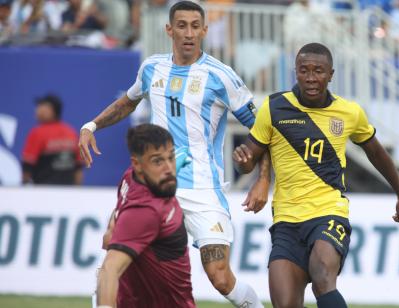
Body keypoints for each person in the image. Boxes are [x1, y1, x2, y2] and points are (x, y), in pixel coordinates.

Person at [79, 2, 269, 307]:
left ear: (205, 30)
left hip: (204, 189)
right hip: (156, 187)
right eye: (182, 25)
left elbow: (263, 129)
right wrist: (92, 125)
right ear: (169, 29)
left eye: (196, 26)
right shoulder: (152, 67)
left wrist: (263, 180)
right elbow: (128, 101)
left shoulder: (221, 76)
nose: (189, 33)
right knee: (113, 249)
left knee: (220, 278)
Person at [232, 43, 399, 308]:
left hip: (328, 212)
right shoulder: (274, 107)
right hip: (286, 221)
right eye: (304, 71)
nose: (311, 78)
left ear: (331, 74)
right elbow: (250, 158)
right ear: (295, 72)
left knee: (322, 275)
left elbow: (377, 154)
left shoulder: (349, 112)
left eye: (318, 71)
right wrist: (244, 163)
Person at [96, 124, 195, 308]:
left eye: (171, 158)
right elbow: (109, 269)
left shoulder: (131, 177)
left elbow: (115, 223)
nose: (169, 169)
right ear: (137, 164)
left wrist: (114, 228)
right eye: (158, 161)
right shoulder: (147, 211)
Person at [21, 94, 83, 185]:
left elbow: (27, 167)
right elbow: (78, 168)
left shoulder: (37, 133)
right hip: (69, 193)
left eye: (42, 106)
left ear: (52, 110)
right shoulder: (71, 131)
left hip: (43, 192)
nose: (37, 110)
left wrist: (25, 190)